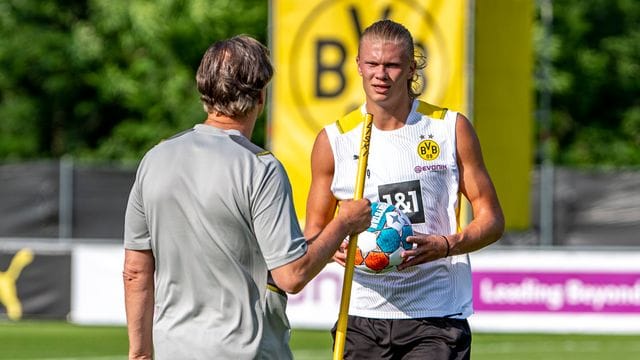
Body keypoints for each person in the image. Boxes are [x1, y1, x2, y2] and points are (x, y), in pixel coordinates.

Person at [122, 35, 371, 360]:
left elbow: (135, 271)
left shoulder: (154, 159)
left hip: (173, 349)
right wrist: (344, 223)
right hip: (247, 350)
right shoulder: (261, 168)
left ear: (205, 92)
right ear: (260, 97)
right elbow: (291, 275)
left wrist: (140, 354)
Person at [304, 20, 505, 359]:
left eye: (392, 65)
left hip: (436, 317)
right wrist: (332, 247)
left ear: (412, 67)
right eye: (372, 64)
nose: (380, 74)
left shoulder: (448, 129)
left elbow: (492, 219)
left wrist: (446, 245)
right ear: (357, 65)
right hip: (362, 317)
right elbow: (313, 231)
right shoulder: (334, 140)